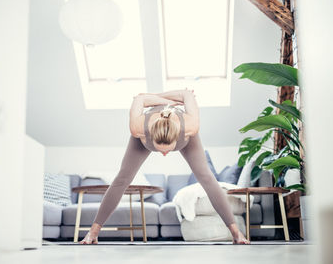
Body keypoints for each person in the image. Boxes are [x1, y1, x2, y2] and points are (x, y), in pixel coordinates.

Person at [79, 89, 250, 245]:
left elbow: (187, 95)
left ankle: (236, 233)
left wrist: (157, 99)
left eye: (168, 151)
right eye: (160, 151)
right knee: (122, 178)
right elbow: (139, 98)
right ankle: (93, 233)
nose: (164, 154)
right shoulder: (138, 128)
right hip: (149, 126)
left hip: (180, 127)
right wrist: (157, 100)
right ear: (147, 137)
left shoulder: (190, 127)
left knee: (206, 177)